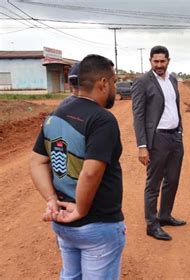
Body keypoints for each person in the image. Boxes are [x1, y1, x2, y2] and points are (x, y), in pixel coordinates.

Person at [30, 54, 125, 279]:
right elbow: (91, 171)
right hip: (96, 223)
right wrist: (81, 209)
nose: (114, 87)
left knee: (71, 275)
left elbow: (37, 161)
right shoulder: (102, 119)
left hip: (63, 222)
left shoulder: (56, 114)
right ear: (103, 83)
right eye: (113, 82)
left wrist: (51, 200)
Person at [131, 45, 186, 241]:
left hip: (175, 137)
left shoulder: (172, 79)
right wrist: (142, 145)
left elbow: (174, 107)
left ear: (168, 61)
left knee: (172, 180)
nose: (159, 65)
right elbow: (138, 114)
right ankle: (152, 224)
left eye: (163, 61)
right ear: (150, 61)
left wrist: (180, 130)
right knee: (153, 183)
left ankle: (164, 215)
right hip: (157, 139)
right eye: (156, 61)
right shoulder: (142, 82)